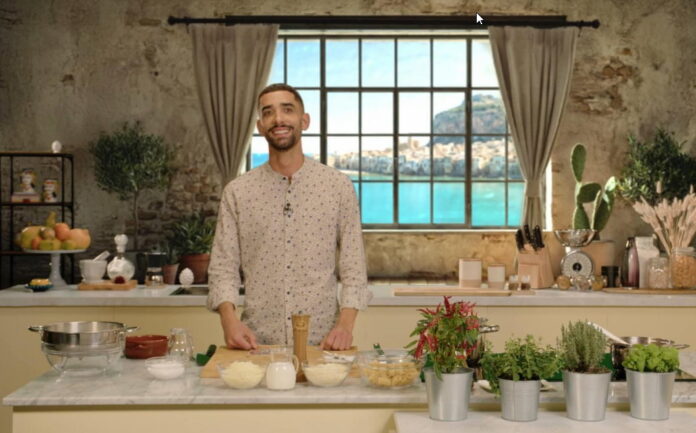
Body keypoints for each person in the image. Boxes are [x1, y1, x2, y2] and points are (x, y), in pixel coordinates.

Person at [207, 83, 369, 351]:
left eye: (287, 110)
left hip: (323, 345)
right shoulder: (237, 192)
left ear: (304, 121)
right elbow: (223, 267)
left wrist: (345, 326)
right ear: (260, 126)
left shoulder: (337, 186)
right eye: (268, 112)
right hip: (256, 345)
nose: (278, 119)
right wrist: (229, 321)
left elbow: (354, 266)